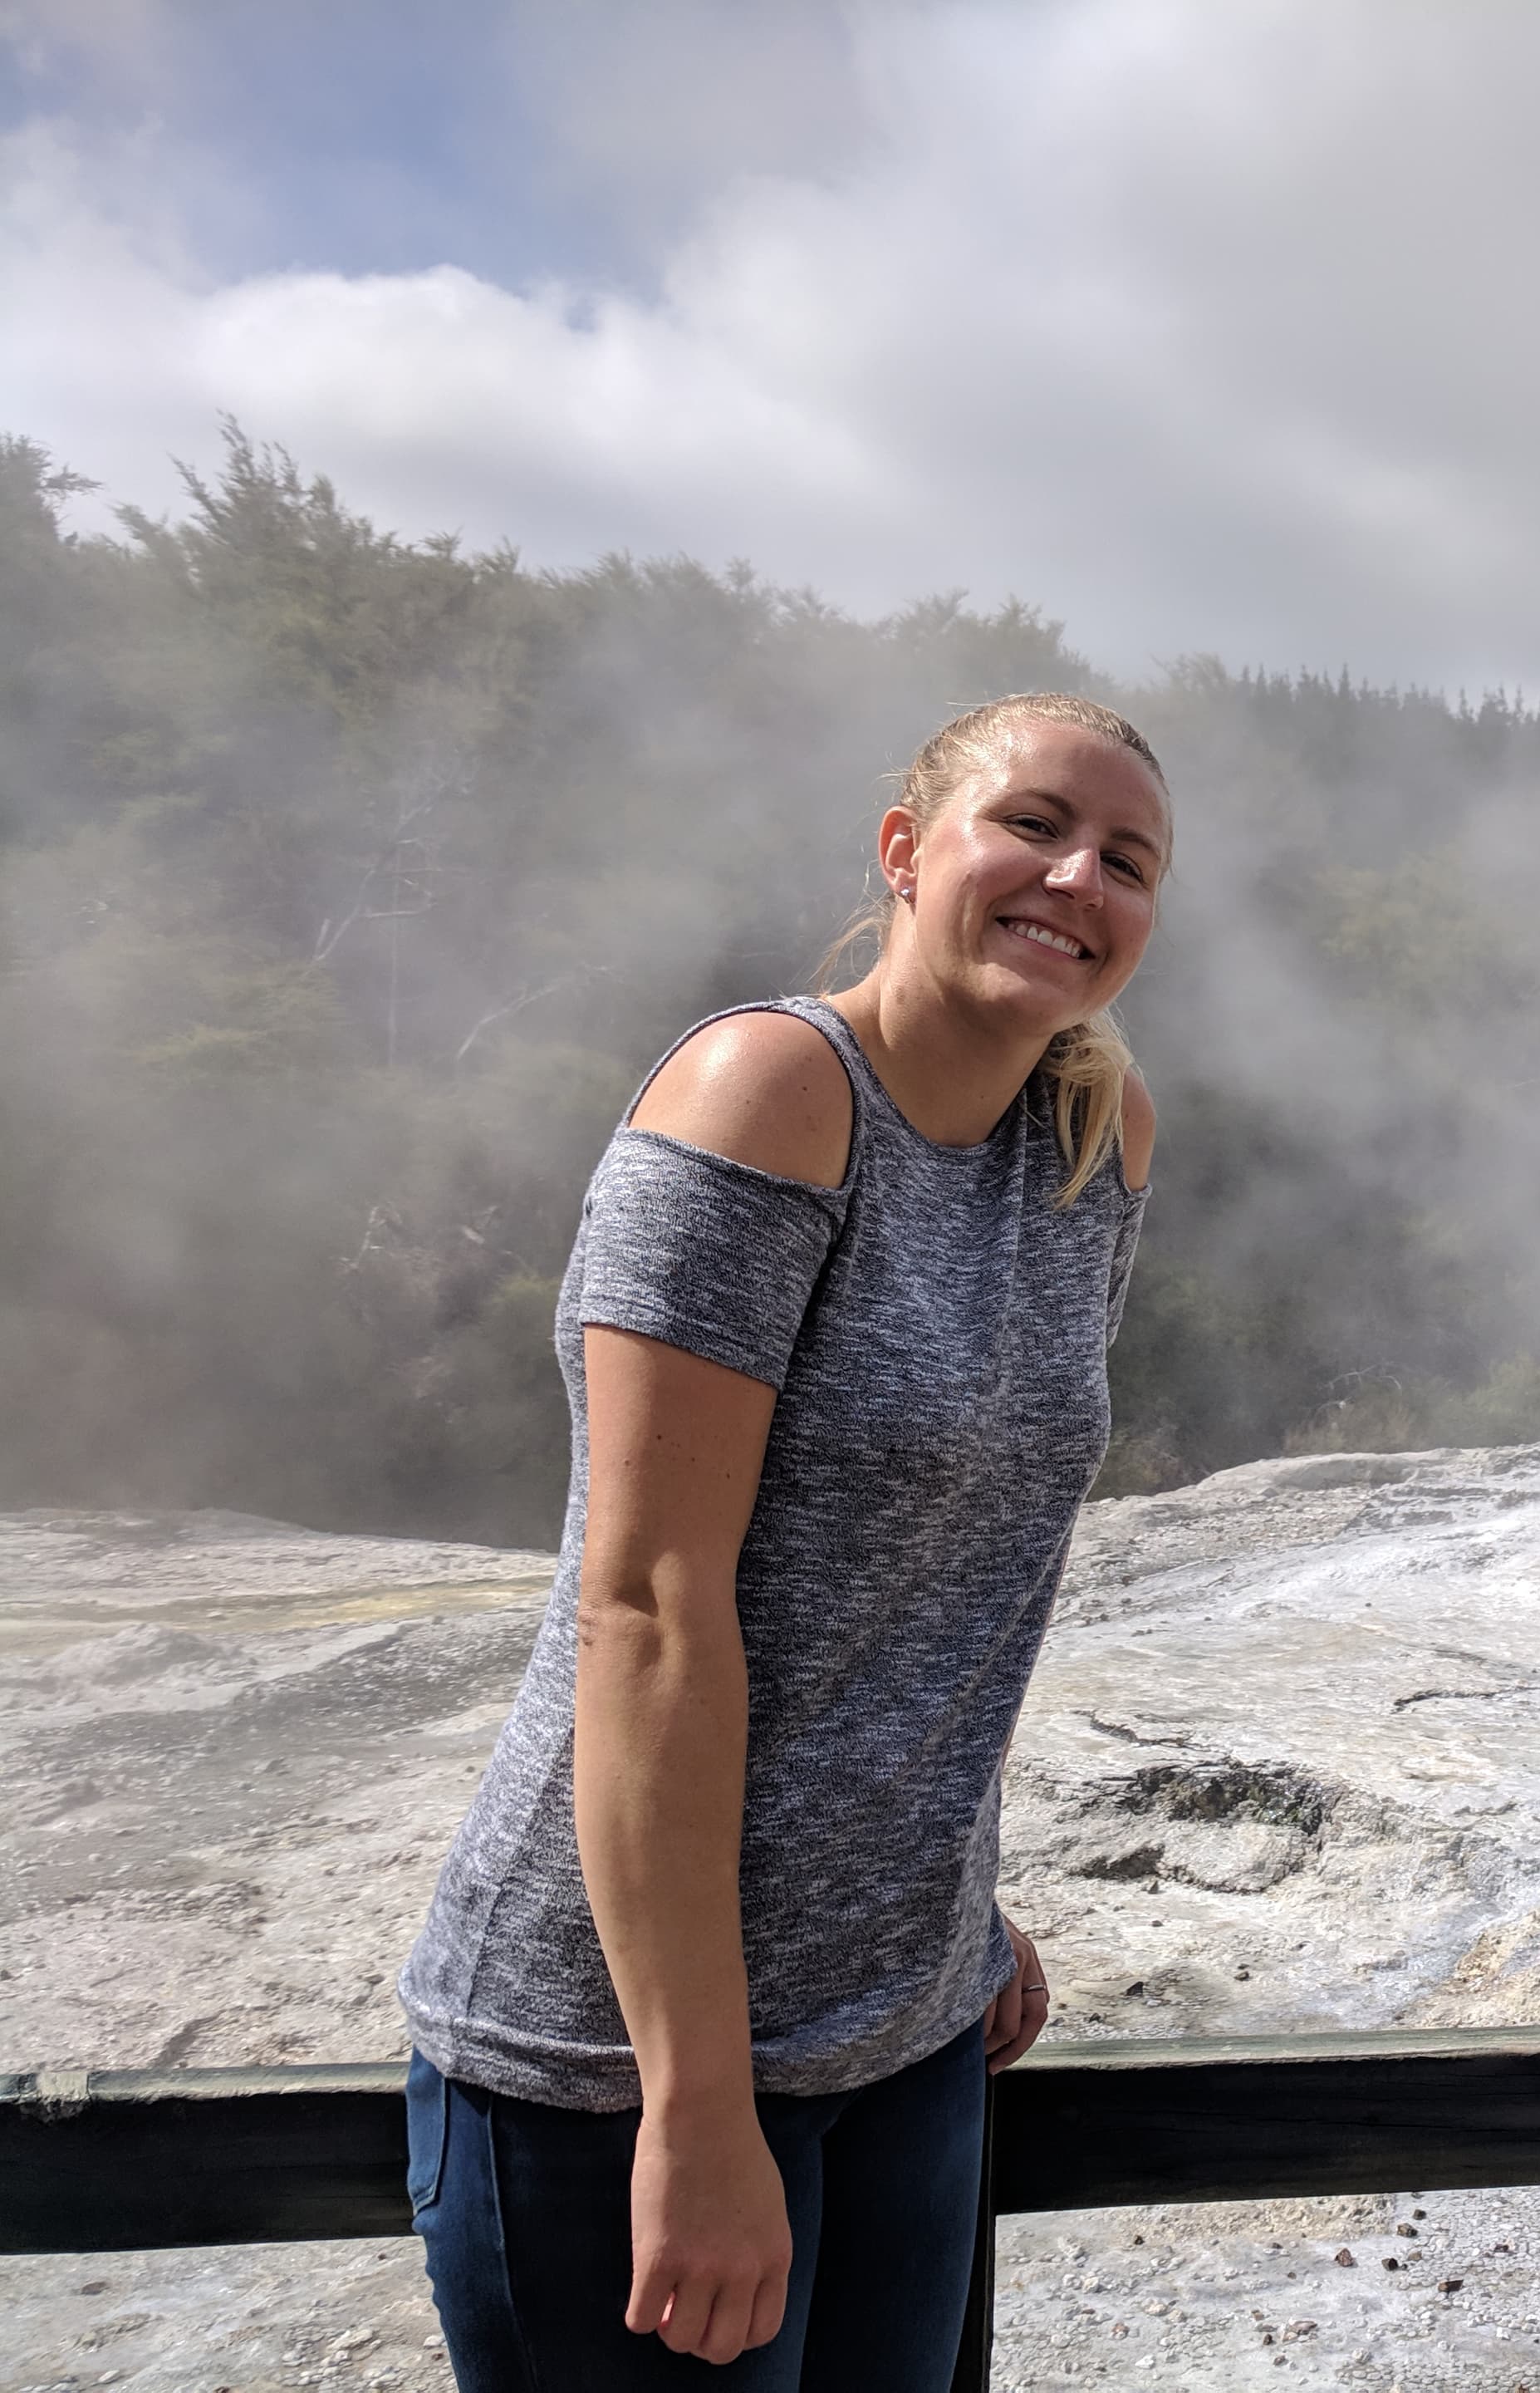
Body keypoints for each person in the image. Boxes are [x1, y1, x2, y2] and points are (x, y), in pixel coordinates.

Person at [395, 692, 1169, 2388]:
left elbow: (949, 1573)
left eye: (1126, 859)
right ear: (906, 852)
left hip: (904, 2041)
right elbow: (648, 1614)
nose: (1075, 877)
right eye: (1031, 825)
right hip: (617, 2067)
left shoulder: (1092, 1147)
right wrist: (696, 2105)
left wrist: (952, 1915)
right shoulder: (763, 1093)